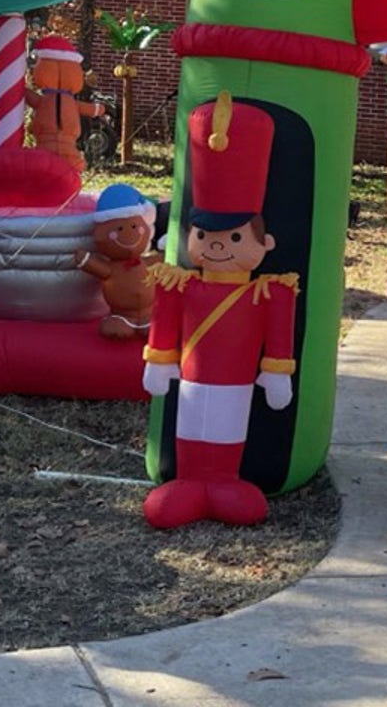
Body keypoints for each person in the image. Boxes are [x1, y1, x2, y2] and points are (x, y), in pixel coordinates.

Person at [140, 92, 298, 530]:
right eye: (206, 235)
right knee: (192, 416)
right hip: (192, 377)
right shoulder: (180, 284)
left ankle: (223, 478)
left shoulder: (270, 292)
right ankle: (191, 480)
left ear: (263, 245)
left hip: (236, 382)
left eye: (232, 239)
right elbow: (165, 321)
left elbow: (277, 330)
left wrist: (276, 371)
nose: (215, 246)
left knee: (228, 421)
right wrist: (160, 359)